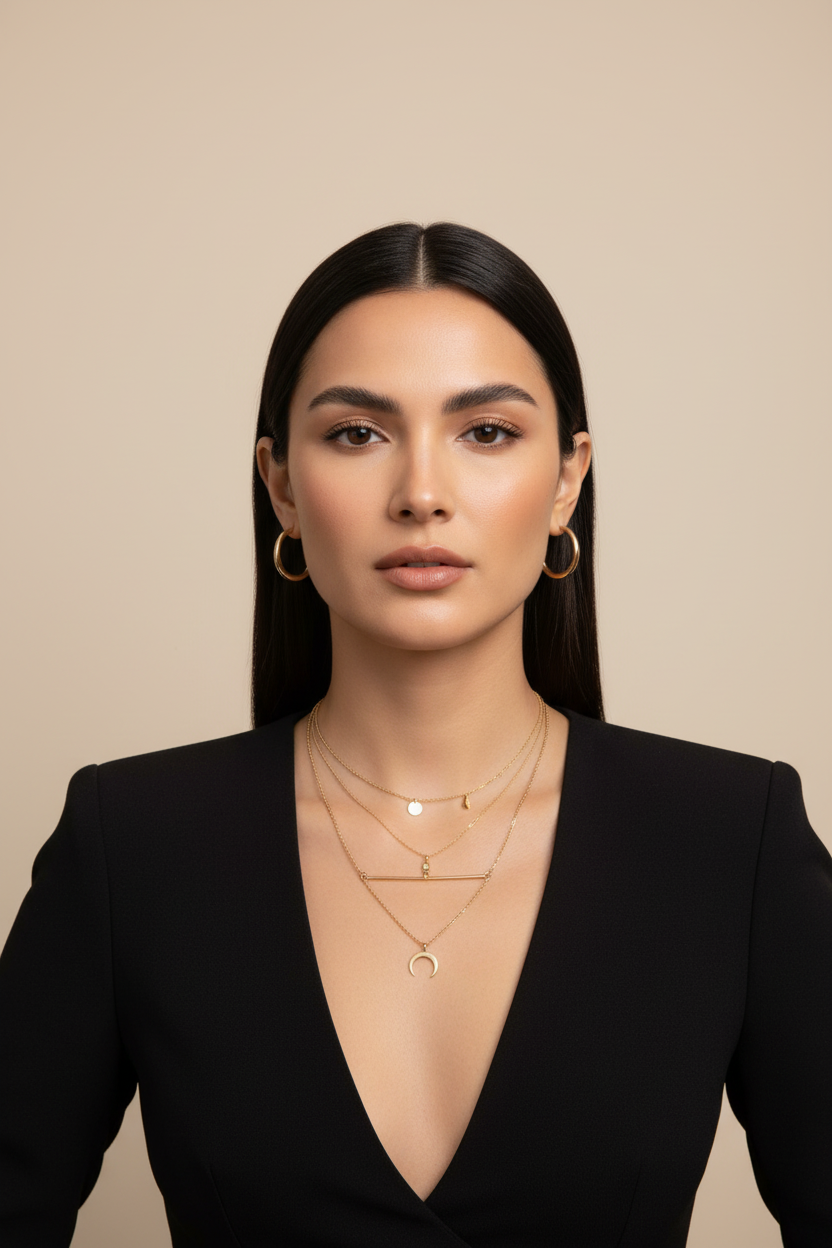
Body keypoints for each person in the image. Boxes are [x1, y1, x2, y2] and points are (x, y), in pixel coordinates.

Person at [0, 222, 830, 1247]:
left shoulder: (729, 842)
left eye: (485, 431)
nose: (422, 494)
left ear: (567, 478)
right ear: (281, 486)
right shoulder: (131, 844)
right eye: (357, 433)